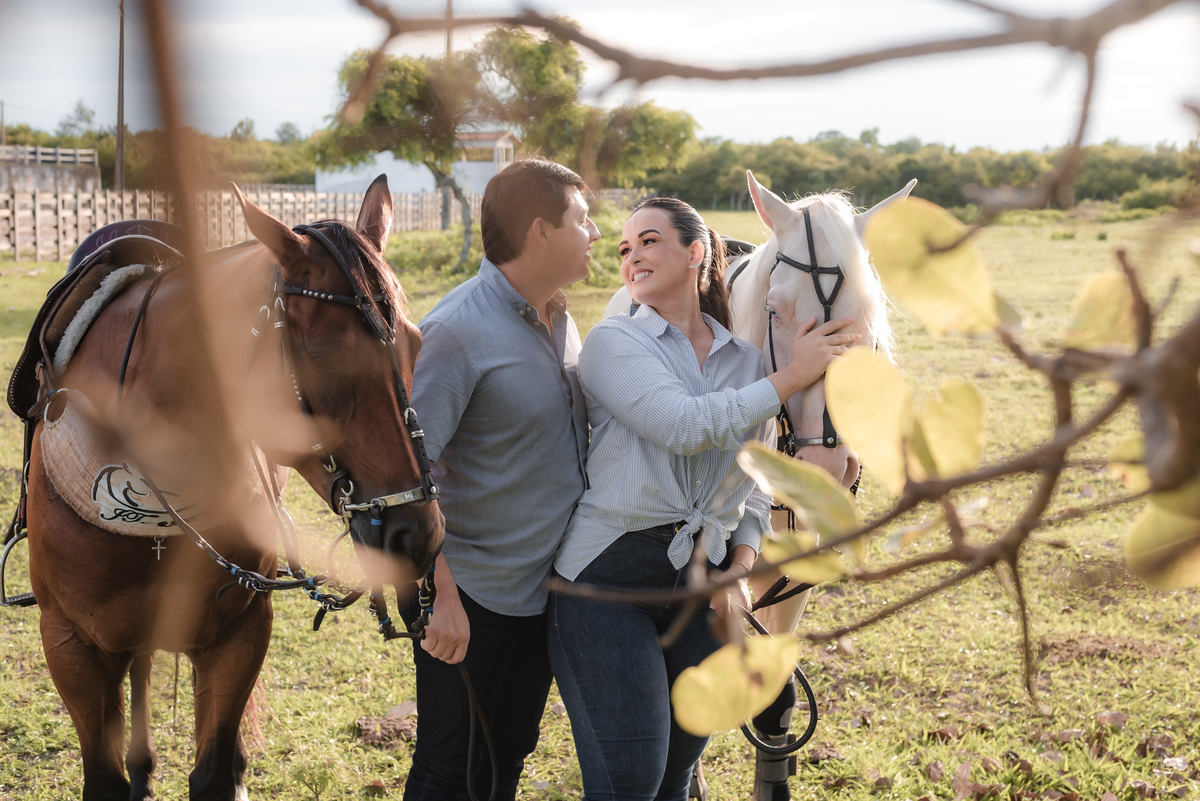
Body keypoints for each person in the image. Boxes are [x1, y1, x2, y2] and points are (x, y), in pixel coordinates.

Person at [548, 197, 858, 801]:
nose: (632, 255)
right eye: (623, 248)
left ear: (695, 253)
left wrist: (739, 570)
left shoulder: (745, 362)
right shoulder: (614, 343)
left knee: (676, 778)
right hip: (609, 581)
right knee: (631, 780)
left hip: (705, 584)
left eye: (649, 241)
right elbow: (684, 426)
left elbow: (749, 489)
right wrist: (791, 377)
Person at [403, 158, 600, 800]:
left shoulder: (561, 318)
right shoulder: (456, 331)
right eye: (582, 219)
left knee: (508, 754)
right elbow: (408, 477)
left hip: (541, 592)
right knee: (448, 768)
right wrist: (443, 594)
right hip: (472, 593)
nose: (595, 232)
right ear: (540, 231)